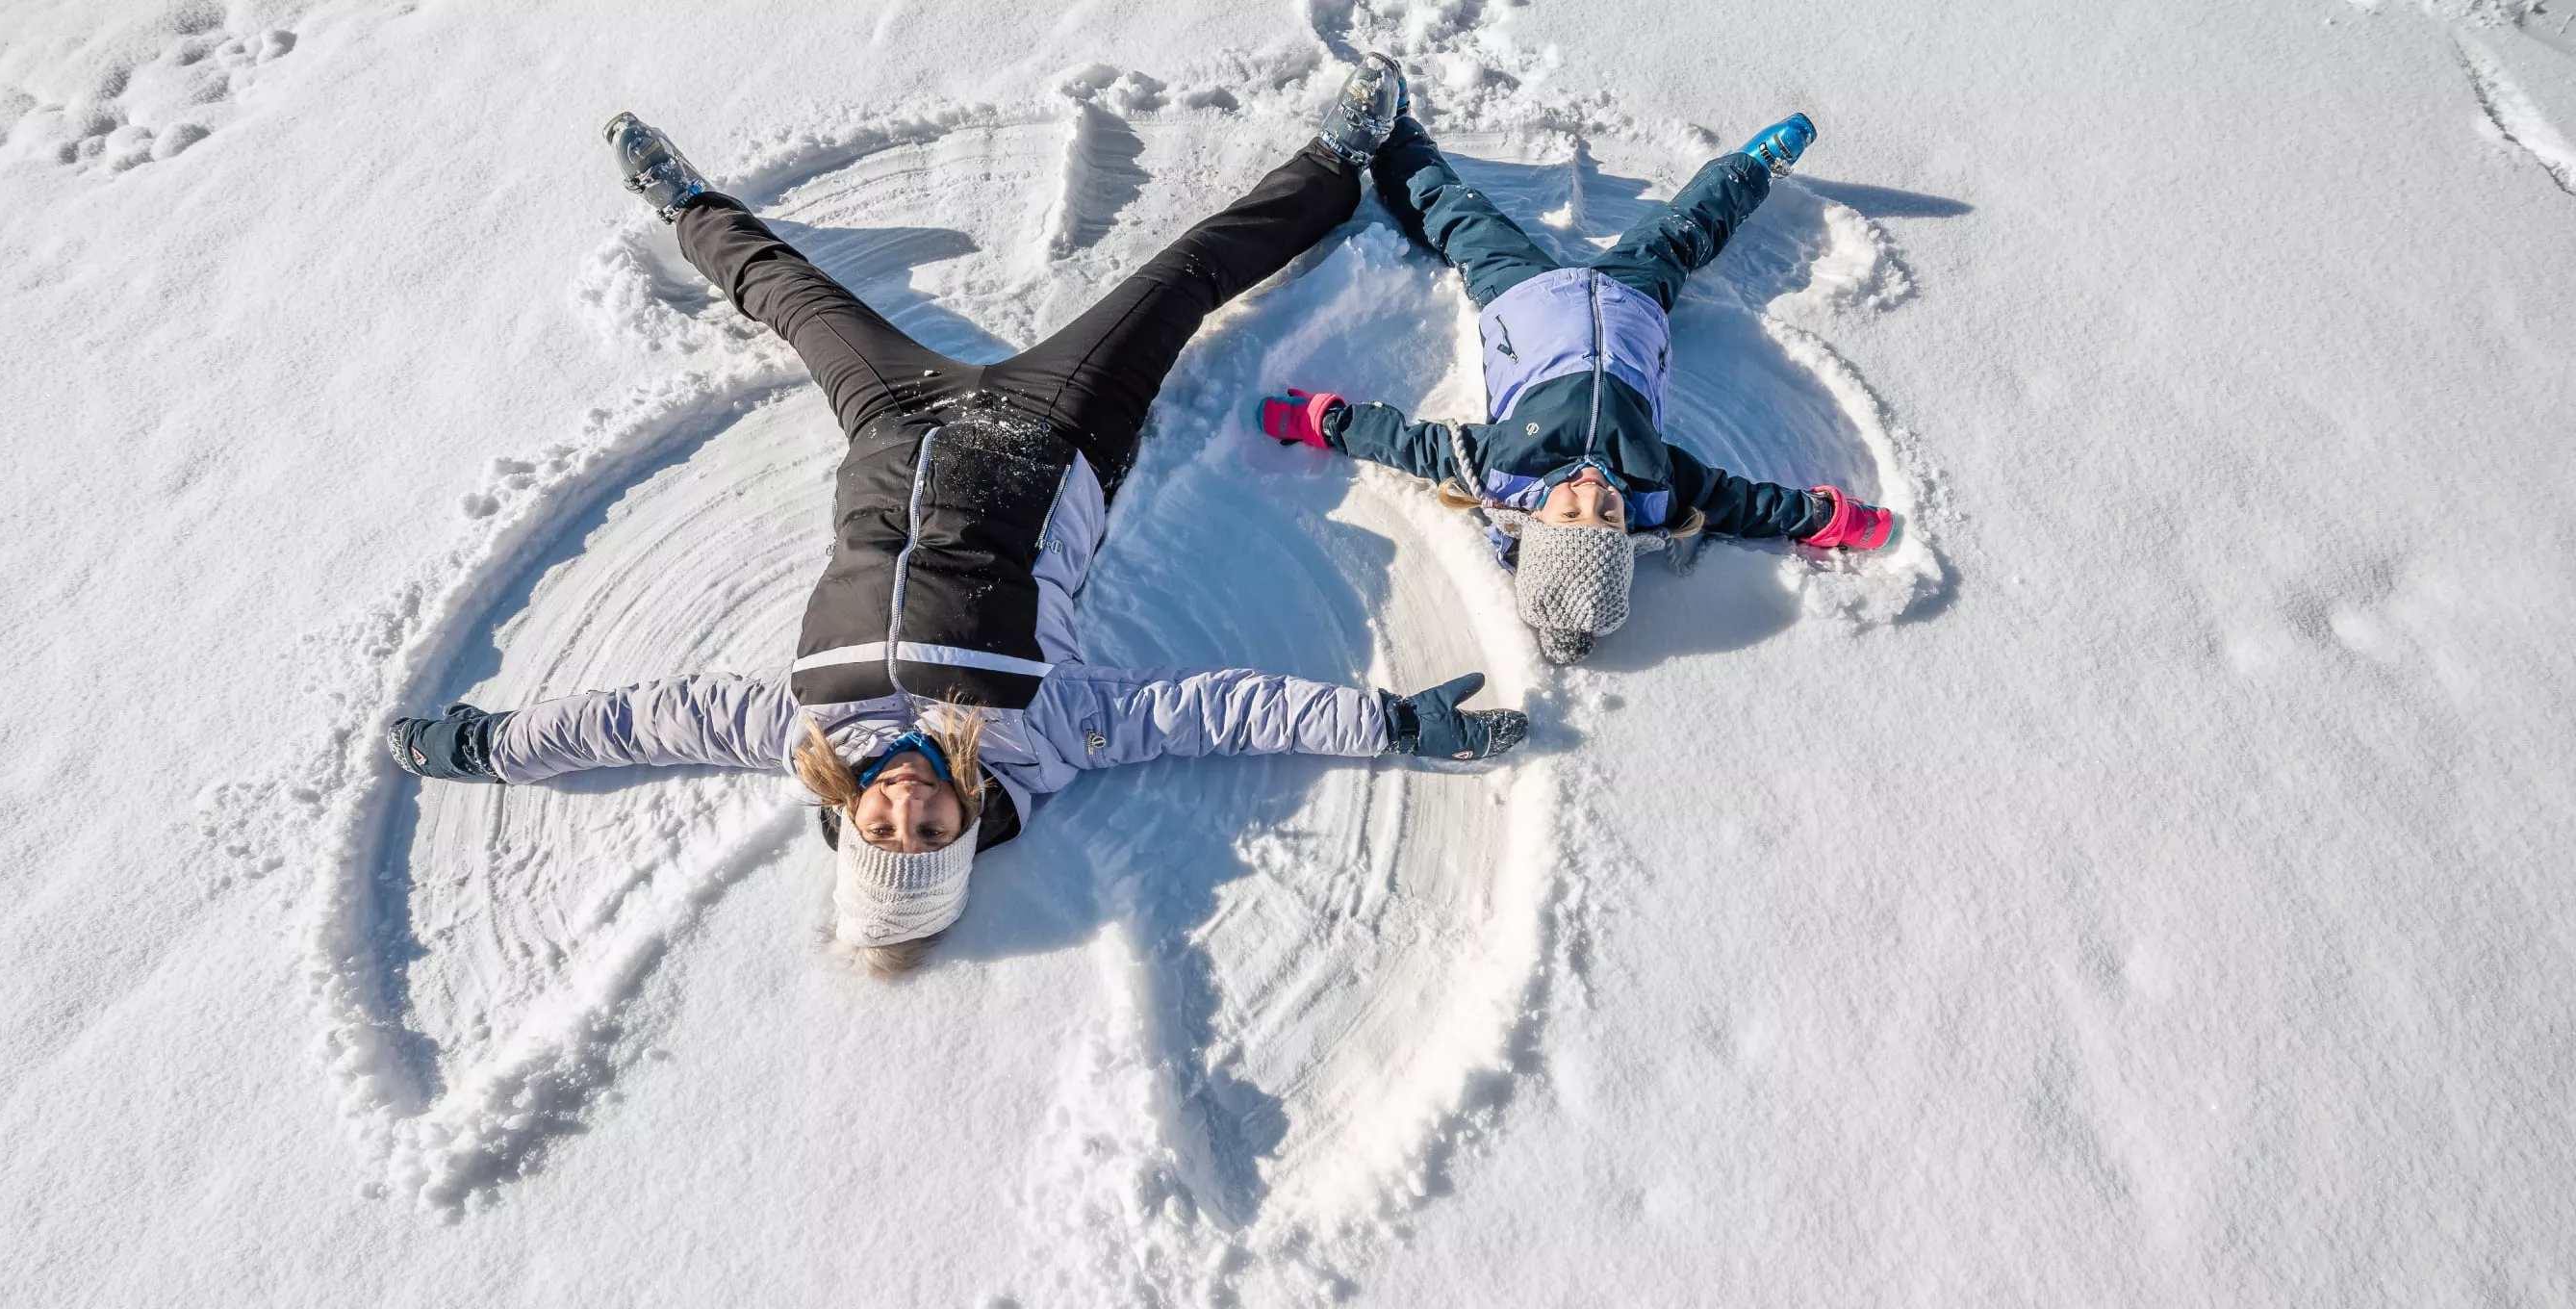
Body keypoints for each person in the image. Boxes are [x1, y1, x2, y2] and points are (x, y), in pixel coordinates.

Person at [386, 57, 1528, 977]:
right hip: (1056, 430)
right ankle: (1340, 160)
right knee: (1181, 282)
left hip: (892, 423)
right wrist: (1388, 728)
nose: (905, 808)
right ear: (967, 828)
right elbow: (1211, 710)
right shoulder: (1045, 739)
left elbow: (642, 723)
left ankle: (685, 206)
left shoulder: (802, 738)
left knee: (794, 300)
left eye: (882, 829)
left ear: (847, 824)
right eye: (931, 834)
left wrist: (492, 746)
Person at [1253, 106, 1897, 664]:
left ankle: (1395, 137)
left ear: (1534, 517)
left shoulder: (1496, 470)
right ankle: (1752, 169)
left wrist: (1324, 422)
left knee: (1456, 217)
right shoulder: (1660, 488)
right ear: (1630, 530)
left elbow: (1405, 444)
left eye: (1571, 509)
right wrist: (1823, 517)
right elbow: (1745, 505)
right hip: (1631, 301)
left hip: (1522, 299)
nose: (1594, 493)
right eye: (1609, 513)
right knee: (1687, 230)